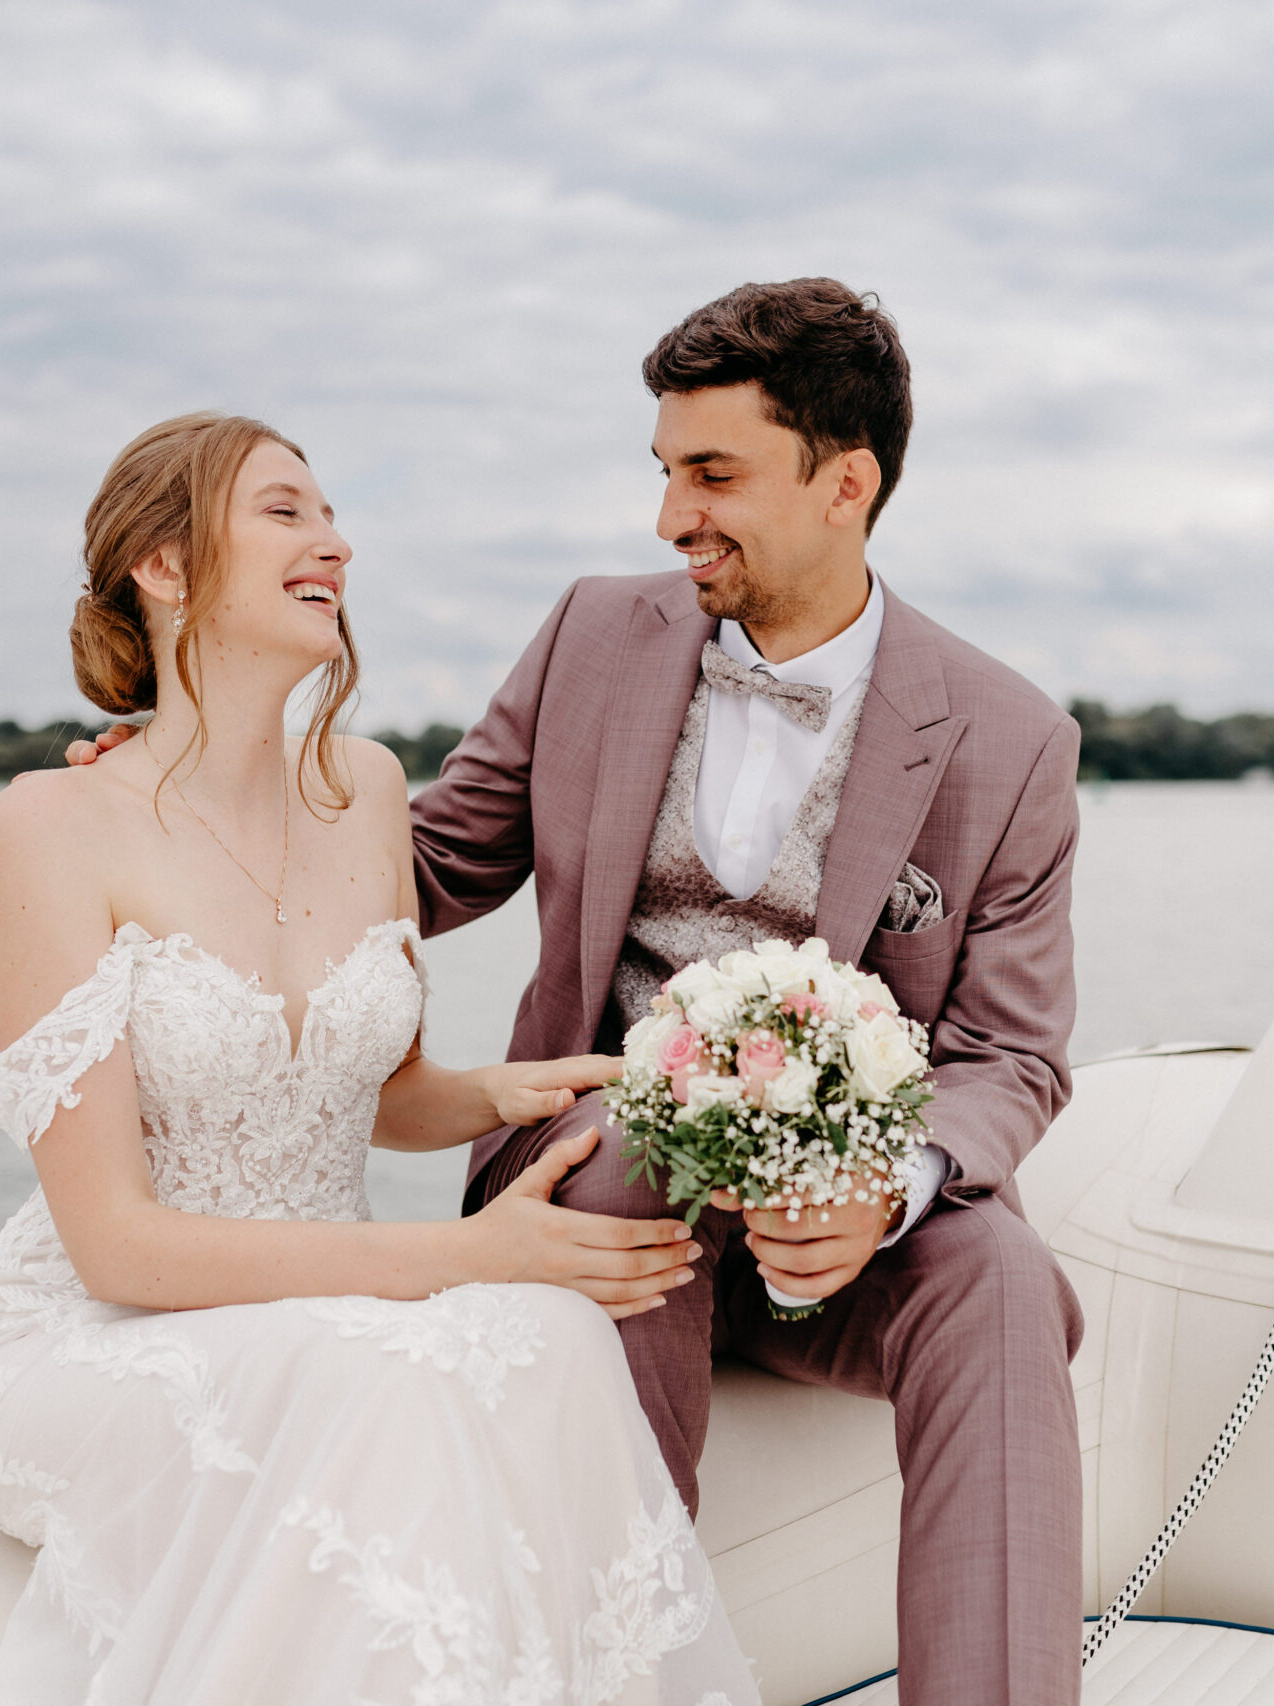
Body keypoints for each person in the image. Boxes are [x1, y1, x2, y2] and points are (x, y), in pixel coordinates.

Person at [78, 280, 1088, 1701]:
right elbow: (407, 873)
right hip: (595, 1184)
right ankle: (625, 1665)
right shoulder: (589, 637)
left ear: (845, 483)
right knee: (624, 1146)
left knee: (1001, 1278)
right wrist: (176, 802)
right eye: (667, 472)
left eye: (713, 475)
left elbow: (1012, 1055)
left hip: (832, 1237)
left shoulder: (1011, 738)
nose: (671, 516)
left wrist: (893, 1185)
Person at [0, 411, 757, 1705]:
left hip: (324, 1306)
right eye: (286, 510)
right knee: (384, 1374)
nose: (335, 543)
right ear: (165, 567)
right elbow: (117, 1248)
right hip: (95, 1324)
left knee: (559, 1339)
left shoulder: (367, 787)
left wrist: (516, 1092)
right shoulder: (56, 822)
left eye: (331, 514)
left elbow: (383, 1095)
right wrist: (463, 1255)